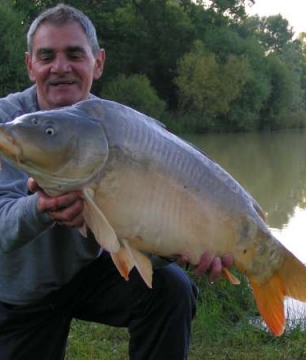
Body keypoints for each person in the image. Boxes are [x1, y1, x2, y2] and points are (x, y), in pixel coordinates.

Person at [0, 4, 233, 360]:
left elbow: (139, 227)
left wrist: (182, 249)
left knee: (171, 289)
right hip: (17, 294)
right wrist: (40, 209)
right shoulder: (8, 126)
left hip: (87, 274)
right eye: (47, 56)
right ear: (30, 64)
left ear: (98, 62)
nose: (60, 67)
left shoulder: (119, 127)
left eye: (74, 54)